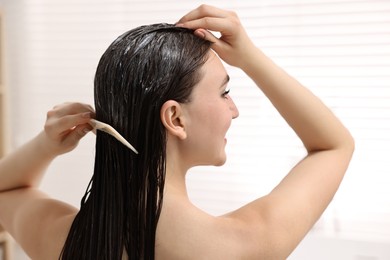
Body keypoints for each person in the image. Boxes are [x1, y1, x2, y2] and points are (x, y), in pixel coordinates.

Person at [0, 4, 354, 260]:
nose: (234, 109)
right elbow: (333, 145)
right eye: (224, 92)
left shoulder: (62, 240)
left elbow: (6, 188)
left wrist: (47, 145)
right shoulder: (240, 245)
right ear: (175, 118)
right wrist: (249, 56)